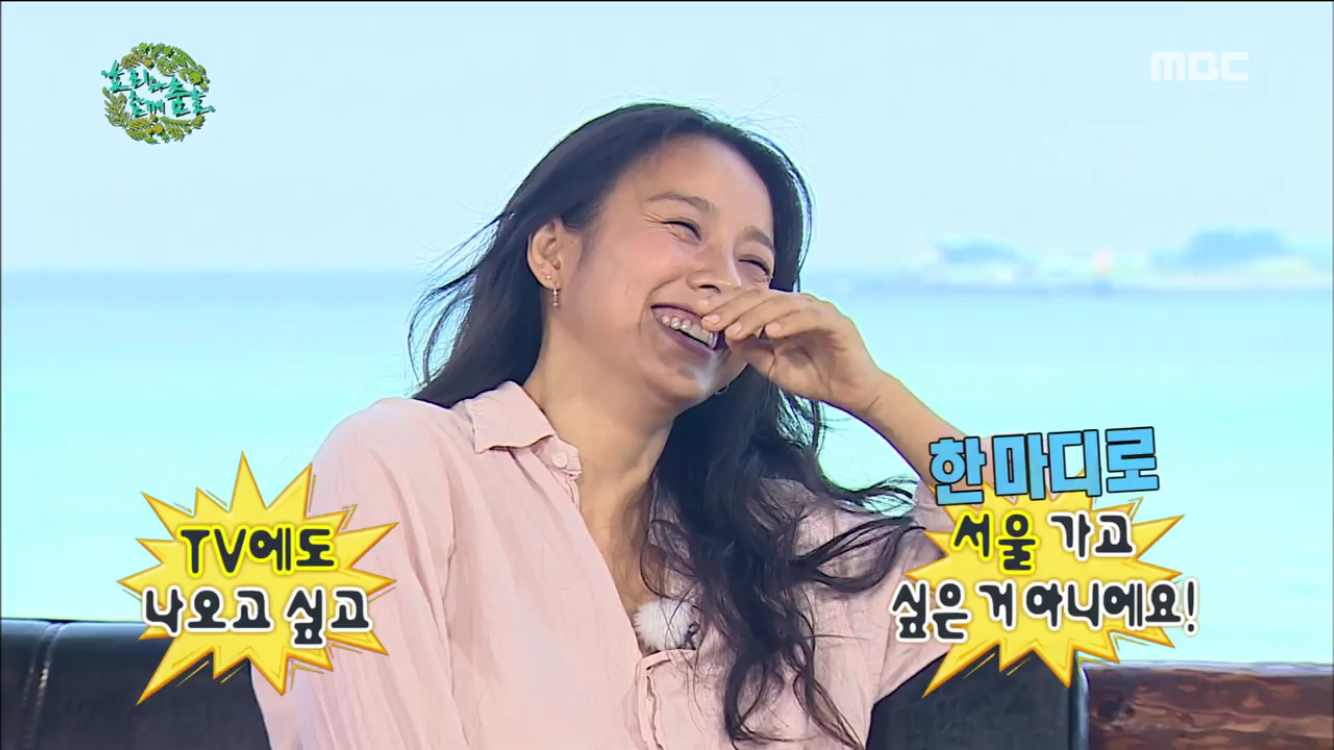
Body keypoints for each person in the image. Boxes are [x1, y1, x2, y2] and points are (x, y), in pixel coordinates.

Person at [253, 102, 983, 749]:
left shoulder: (787, 551)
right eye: (683, 227)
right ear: (552, 253)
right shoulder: (402, 464)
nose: (723, 280)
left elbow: (1043, 547)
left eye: (755, 264)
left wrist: (876, 396)